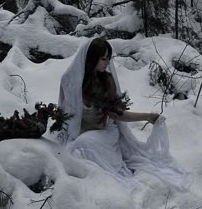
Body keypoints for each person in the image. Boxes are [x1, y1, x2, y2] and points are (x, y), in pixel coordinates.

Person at [58, 37, 192, 191]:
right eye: (103, 58)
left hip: (106, 131)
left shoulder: (106, 81)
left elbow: (117, 114)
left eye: (109, 58)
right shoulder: (71, 80)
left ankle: (100, 183)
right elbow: (65, 112)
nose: (107, 62)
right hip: (81, 131)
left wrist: (147, 116)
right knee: (75, 147)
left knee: (82, 145)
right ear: (91, 58)